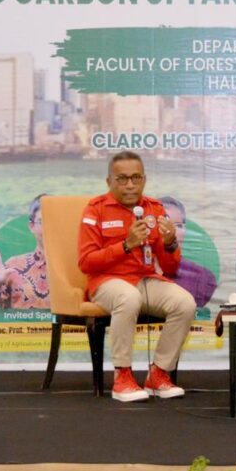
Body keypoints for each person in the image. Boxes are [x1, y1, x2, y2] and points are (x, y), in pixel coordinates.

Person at [77, 151, 196, 403]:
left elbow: (170, 267)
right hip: (107, 283)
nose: (130, 185)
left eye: (136, 178)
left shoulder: (155, 208)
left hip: (145, 280)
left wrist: (170, 243)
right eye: (122, 179)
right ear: (109, 181)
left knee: (185, 303)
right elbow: (86, 262)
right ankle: (122, 376)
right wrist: (126, 245)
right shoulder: (95, 210)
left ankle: (158, 374)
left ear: (144, 179)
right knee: (128, 297)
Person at [0, 194, 50, 310]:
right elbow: (2, 310)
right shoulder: (13, 266)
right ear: (32, 226)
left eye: (55, 221)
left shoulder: (75, 267)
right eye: (42, 221)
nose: (49, 227)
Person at [159, 195, 217, 310]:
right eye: (165, 224)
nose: (172, 231)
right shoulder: (136, 273)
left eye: (178, 226)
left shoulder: (202, 278)